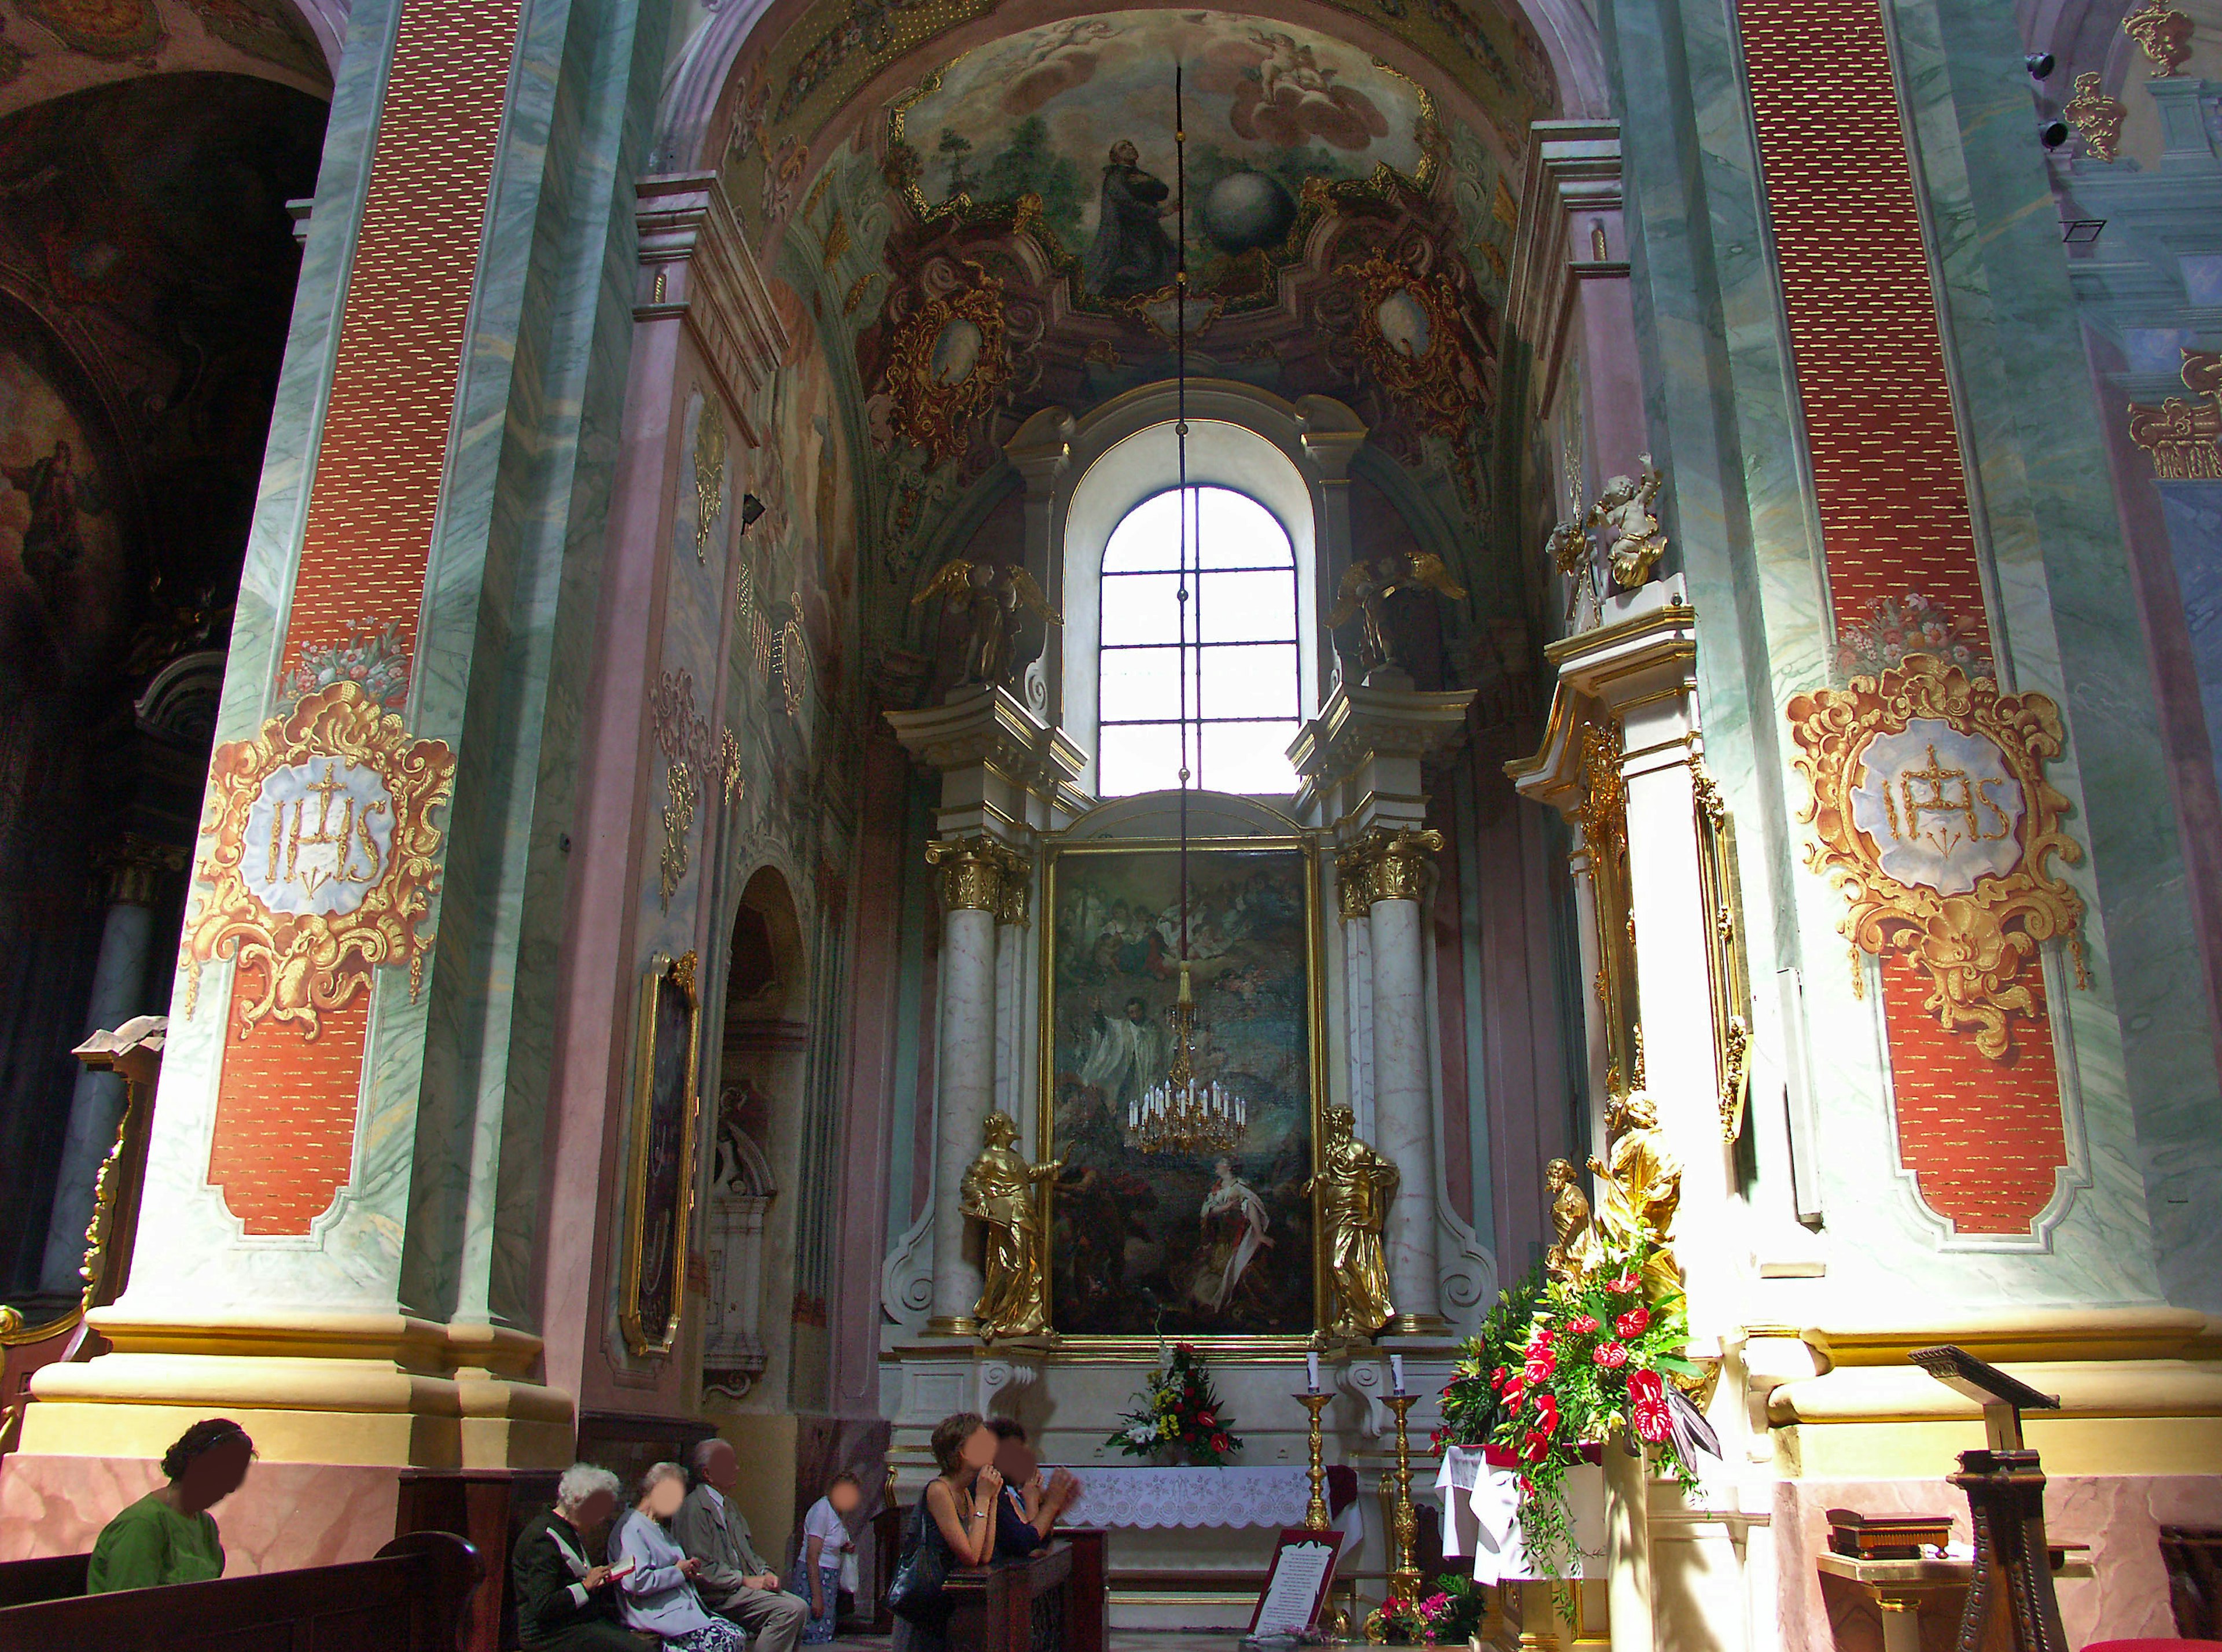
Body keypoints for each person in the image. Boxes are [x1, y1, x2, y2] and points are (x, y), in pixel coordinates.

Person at [672, 1437, 810, 1652]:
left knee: (801, 1606)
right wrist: (745, 1581)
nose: (737, 1469)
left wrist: (766, 1573)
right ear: (708, 1474)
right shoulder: (694, 1509)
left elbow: (748, 1554)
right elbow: (703, 1571)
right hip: (718, 1595)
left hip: (740, 1590)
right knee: (788, 1611)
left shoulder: (730, 1506)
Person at [87, 1418, 253, 1592]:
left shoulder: (206, 1525)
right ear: (196, 1465)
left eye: (237, 1476)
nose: (231, 1488)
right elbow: (129, 1608)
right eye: (224, 1475)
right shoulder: (143, 1525)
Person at [889, 1412, 1002, 1652]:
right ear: (963, 1452)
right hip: (924, 1607)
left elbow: (984, 1555)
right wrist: (983, 1498)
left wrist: (991, 1500)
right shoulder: (939, 1491)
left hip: (948, 1604)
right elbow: (969, 1555)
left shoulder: (964, 1493)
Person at [610, 1462, 745, 1650]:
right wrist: (678, 1572)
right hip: (656, 1615)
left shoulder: (658, 1527)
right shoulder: (631, 1528)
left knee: (737, 1634)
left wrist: (687, 1569)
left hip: (681, 1609)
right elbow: (635, 1582)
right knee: (725, 1641)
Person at [513, 1463, 637, 1650]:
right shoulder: (543, 1538)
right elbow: (543, 1606)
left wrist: (599, 1579)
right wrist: (586, 1586)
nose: (601, 1518)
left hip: (577, 1622)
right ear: (577, 1501)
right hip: (549, 1633)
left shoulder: (568, 1529)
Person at [1082, 141, 1180, 300]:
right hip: (1128, 234)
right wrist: (1163, 212)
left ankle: (1157, 300)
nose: (1130, 148)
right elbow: (1129, 205)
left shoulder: (1137, 175)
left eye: (1130, 145)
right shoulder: (1115, 179)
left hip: (1148, 231)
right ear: (1115, 157)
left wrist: (1149, 182)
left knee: (1170, 261)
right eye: (1123, 148)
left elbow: (1162, 193)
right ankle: (1115, 298)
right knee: (1144, 267)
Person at [984, 1419, 1079, 1559]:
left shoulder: (1011, 1490)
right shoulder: (994, 1490)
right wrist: (1046, 1505)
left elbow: (1039, 1540)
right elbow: (1026, 1544)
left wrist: (1052, 1508)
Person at [788, 1471, 862, 1643]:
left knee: (825, 1631)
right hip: (815, 1577)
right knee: (814, 1632)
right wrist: (817, 1596)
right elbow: (812, 1556)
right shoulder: (822, 1510)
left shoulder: (837, 1513)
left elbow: (832, 1539)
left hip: (829, 1577)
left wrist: (845, 1547)